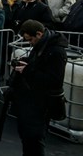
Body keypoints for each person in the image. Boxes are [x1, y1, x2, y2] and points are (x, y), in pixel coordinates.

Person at [11, 20, 68, 156]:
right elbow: (37, 64)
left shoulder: (56, 51)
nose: (30, 43)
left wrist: (27, 69)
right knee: (28, 137)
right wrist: (25, 62)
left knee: (34, 140)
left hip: (42, 102)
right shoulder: (42, 45)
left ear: (39, 34)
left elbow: (54, 80)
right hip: (32, 100)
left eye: (30, 40)